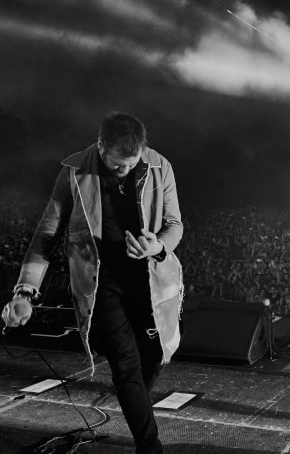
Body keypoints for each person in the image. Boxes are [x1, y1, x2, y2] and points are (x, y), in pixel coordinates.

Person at [2, 112, 183, 454]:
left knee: (155, 356)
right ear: (101, 146)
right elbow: (46, 234)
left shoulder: (160, 167)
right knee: (125, 367)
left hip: (149, 281)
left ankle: (134, 403)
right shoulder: (74, 172)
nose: (124, 170)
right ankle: (150, 447)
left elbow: (175, 224)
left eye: (131, 164)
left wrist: (157, 246)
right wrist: (25, 291)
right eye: (117, 165)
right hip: (102, 284)